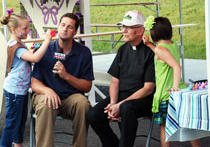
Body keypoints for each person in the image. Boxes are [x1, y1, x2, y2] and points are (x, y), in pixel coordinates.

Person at [87, 10, 156, 147]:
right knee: (93, 115)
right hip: (121, 98)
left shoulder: (151, 52)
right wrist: (113, 103)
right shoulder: (123, 49)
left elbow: (148, 89)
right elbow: (114, 81)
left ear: (140, 30)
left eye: (128, 27)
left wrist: (120, 104)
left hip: (143, 100)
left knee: (126, 108)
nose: (123, 30)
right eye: (122, 26)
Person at [31, 13, 94, 147]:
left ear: (75, 32)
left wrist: (67, 76)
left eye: (70, 27)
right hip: (46, 95)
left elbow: (87, 86)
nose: (65, 29)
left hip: (70, 98)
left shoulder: (84, 52)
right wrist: (47, 90)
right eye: (63, 25)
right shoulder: (46, 49)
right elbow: (34, 82)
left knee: (83, 104)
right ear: (58, 27)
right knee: (46, 103)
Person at [142, 16, 200, 147]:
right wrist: (149, 45)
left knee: (164, 127)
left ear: (153, 33)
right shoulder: (172, 45)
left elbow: (176, 66)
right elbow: (162, 54)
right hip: (180, 92)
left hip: (167, 94)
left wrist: (174, 87)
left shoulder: (160, 49)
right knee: (188, 125)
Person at [0, 11, 53, 147]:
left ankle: (18, 144)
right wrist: (46, 41)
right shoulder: (15, 46)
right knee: (12, 123)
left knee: (21, 121)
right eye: (24, 28)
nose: (27, 31)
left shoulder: (19, 43)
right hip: (14, 91)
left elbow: (30, 56)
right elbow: (34, 58)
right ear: (13, 30)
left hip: (20, 91)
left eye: (28, 27)